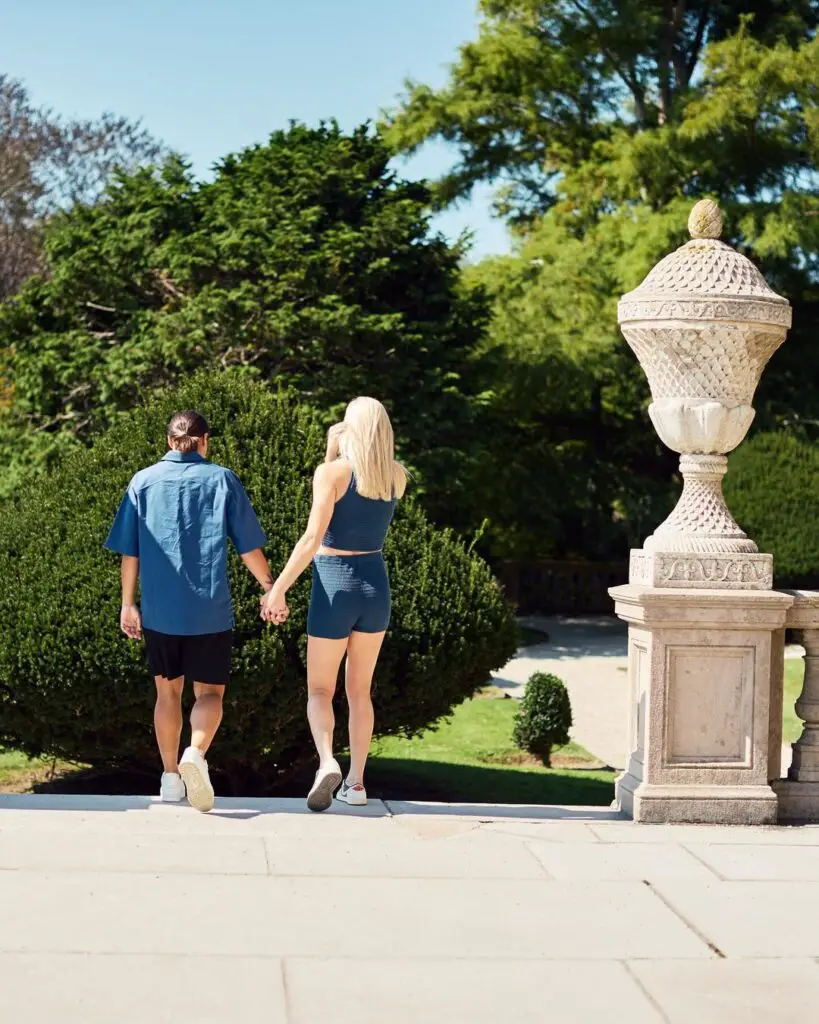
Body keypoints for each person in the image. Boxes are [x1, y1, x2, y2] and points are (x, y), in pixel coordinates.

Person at [105, 410, 278, 812]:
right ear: (205, 440)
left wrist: (128, 603)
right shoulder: (222, 479)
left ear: (169, 441)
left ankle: (169, 779)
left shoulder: (142, 482)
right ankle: (195, 754)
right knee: (210, 693)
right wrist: (271, 588)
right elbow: (248, 547)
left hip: (161, 613)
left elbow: (130, 553)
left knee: (167, 691)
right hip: (209, 612)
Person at [261, 397, 407, 811]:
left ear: (349, 428)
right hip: (375, 587)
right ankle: (357, 784)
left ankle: (327, 761)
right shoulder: (397, 477)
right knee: (360, 691)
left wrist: (278, 589)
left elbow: (313, 538)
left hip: (334, 585)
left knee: (320, 689)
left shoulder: (331, 473)